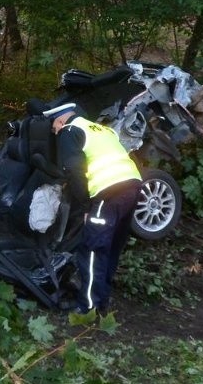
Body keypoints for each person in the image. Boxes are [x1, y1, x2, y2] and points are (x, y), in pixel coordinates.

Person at [48, 103, 142, 314]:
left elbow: (73, 170)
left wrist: (85, 205)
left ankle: (87, 308)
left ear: (61, 120)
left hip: (108, 193)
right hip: (133, 188)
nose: (54, 130)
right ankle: (102, 302)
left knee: (92, 250)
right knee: (110, 249)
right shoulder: (102, 130)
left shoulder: (70, 131)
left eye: (54, 125)